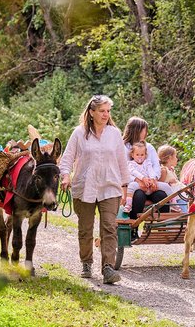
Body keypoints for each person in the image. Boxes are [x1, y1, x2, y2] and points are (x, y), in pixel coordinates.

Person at [59, 95, 129, 285]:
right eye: (102, 111)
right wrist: (65, 176)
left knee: (109, 226)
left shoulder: (114, 134)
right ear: (91, 113)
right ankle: (86, 263)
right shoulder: (79, 133)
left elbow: (123, 162)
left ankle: (108, 268)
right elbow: (67, 158)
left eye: (108, 111)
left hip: (110, 186)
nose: (106, 114)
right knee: (85, 228)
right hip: (84, 187)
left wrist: (125, 187)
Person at [122, 117, 170, 220]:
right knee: (139, 196)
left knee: (161, 196)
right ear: (137, 130)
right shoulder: (124, 148)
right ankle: (133, 227)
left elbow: (156, 167)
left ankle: (162, 227)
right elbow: (124, 170)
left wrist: (153, 179)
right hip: (135, 185)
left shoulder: (149, 147)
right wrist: (138, 180)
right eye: (145, 130)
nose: (146, 133)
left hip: (151, 184)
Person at [124, 142, 175, 212]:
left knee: (166, 186)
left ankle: (173, 203)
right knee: (132, 186)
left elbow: (151, 171)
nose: (140, 157)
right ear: (132, 155)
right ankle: (128, 205)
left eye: (142, 155)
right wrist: (142, 178)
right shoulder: (131, 164)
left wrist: (152, 179)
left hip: (150, 184)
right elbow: (133, 172)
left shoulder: (147, 163)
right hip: (139, 184)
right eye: (137, 155)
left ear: (145, 155)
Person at [158, 144, 188, 213]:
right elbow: (160, 185)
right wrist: (168, 182)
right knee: (183, 212)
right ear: (169, 158)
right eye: (175, 157)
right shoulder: (164, 170)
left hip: (180, 195)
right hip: (174, 197)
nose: (177, 159)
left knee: (185, 205)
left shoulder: (171, 169)